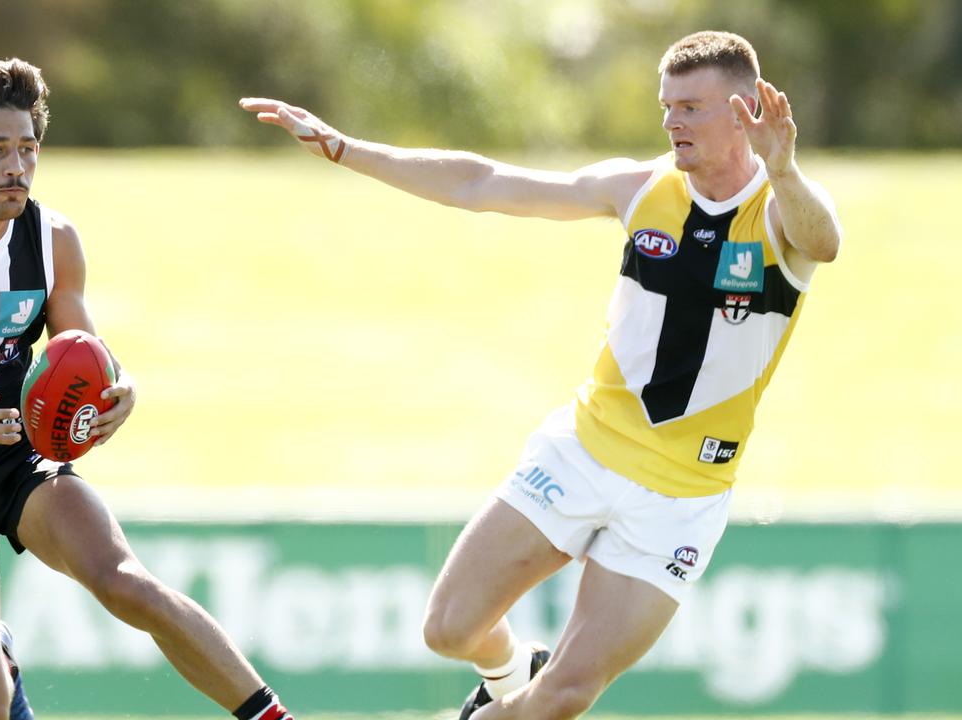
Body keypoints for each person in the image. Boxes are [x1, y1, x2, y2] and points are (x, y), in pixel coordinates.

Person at [242, 30, 840, 720]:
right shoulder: (642, 188)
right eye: (666, 106)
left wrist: (786, 168)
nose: (673, 121)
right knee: (450, 630)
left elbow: (823, 242)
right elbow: (482, 182)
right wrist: (345, 148)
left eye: (692, 108)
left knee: (564, 696)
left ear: (744, 112)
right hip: (583, 450)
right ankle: (504, 674)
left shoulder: (781, 210)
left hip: (682, 496)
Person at [0, 58, 296, 720]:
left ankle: (273, 717)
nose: (16, 165)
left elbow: (87, 355)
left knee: (123, 583)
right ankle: (0, 658)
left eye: (27, 149)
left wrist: (120, 390)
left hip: (22, 462)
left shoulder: (52, 242)